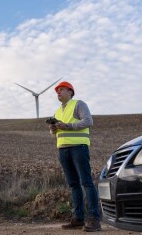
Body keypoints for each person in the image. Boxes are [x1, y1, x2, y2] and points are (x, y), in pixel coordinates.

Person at [48, 81, 101, 232]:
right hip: (63, 150)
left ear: (70, 92)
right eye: (57, 91)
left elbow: (88, 121)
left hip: (79, 147)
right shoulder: (57, 112)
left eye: (61, 89)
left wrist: (68, 126)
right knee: (73, 185)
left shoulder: (79, 104)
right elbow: (55, 134)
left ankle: (94, 219)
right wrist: (52, 129)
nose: (58, 92)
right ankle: (78, 218)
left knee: (86, 182)